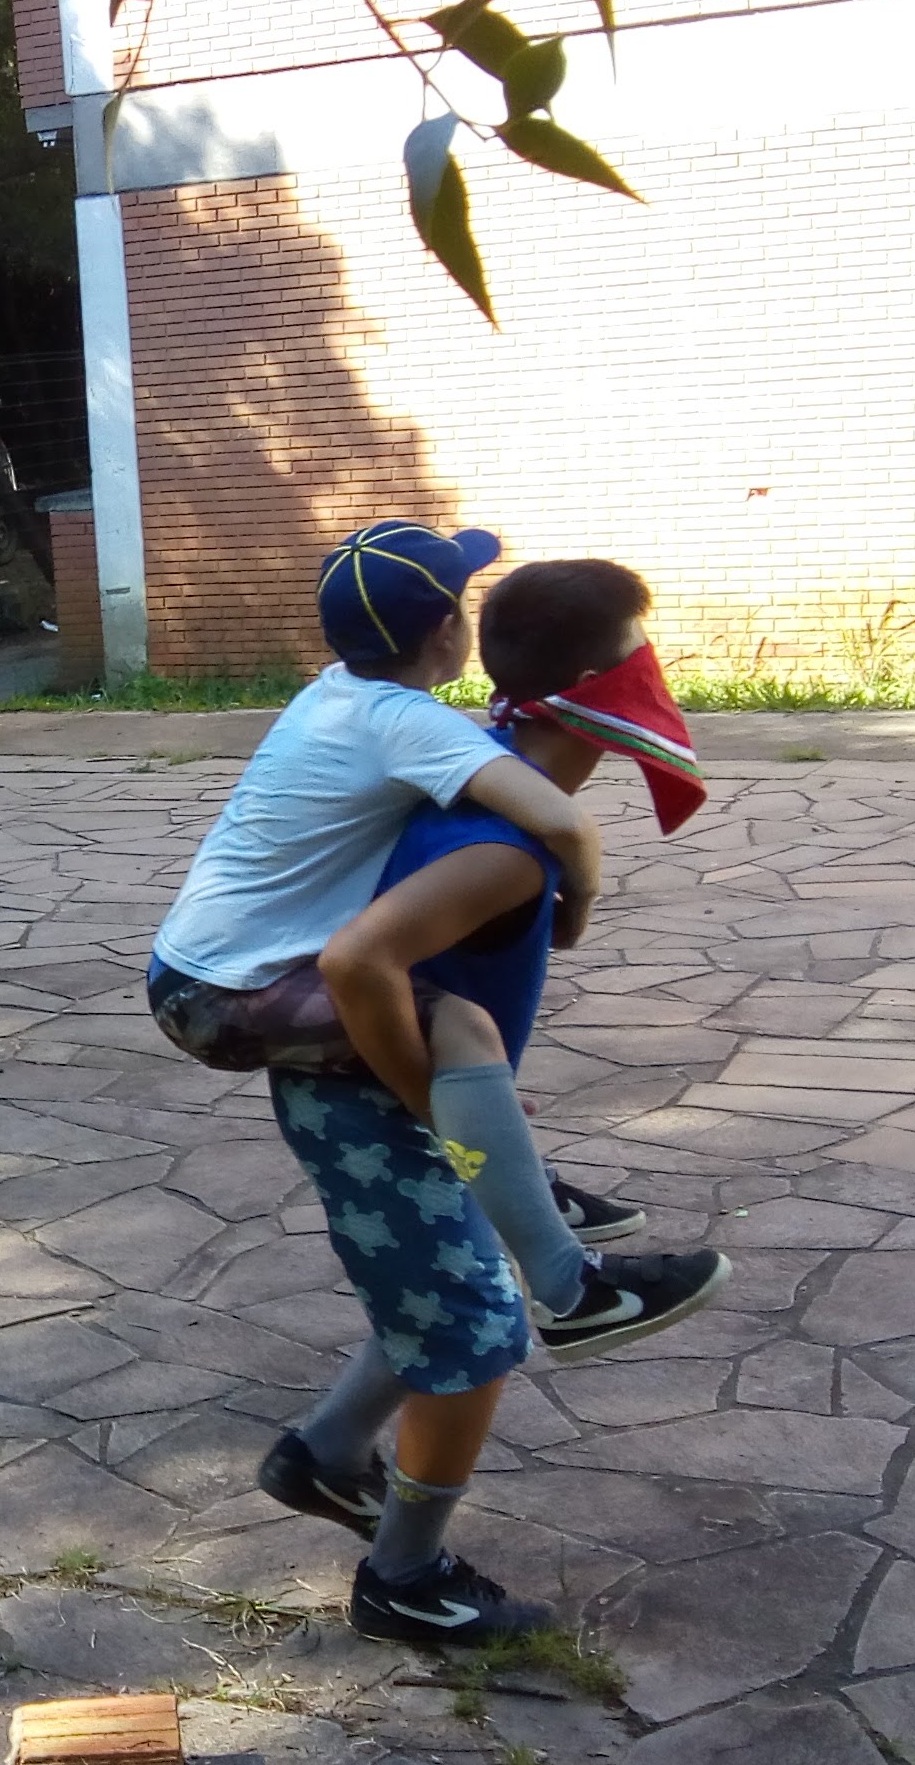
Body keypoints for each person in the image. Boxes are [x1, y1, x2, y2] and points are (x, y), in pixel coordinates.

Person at [255, 559, 729, 1645]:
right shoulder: (503, 848)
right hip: (371, 1108)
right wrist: (431, 1108)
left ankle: (324, 1454)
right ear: (610, 690)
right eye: (643, 654)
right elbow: (357, 963)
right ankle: (404, 1580)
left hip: (397, 1095)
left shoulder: (494, 783)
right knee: (473, 1332)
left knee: (444, 1290)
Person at [150, 520, 649, 1334]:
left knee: (462, 1061)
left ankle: (525, 1184)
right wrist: (579, 906)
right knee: (462, 1033)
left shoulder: (336, 694)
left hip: (190, 968)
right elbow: (565, 823)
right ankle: (569, 1289)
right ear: (447, 631)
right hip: (223, 995)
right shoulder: (410, 722)